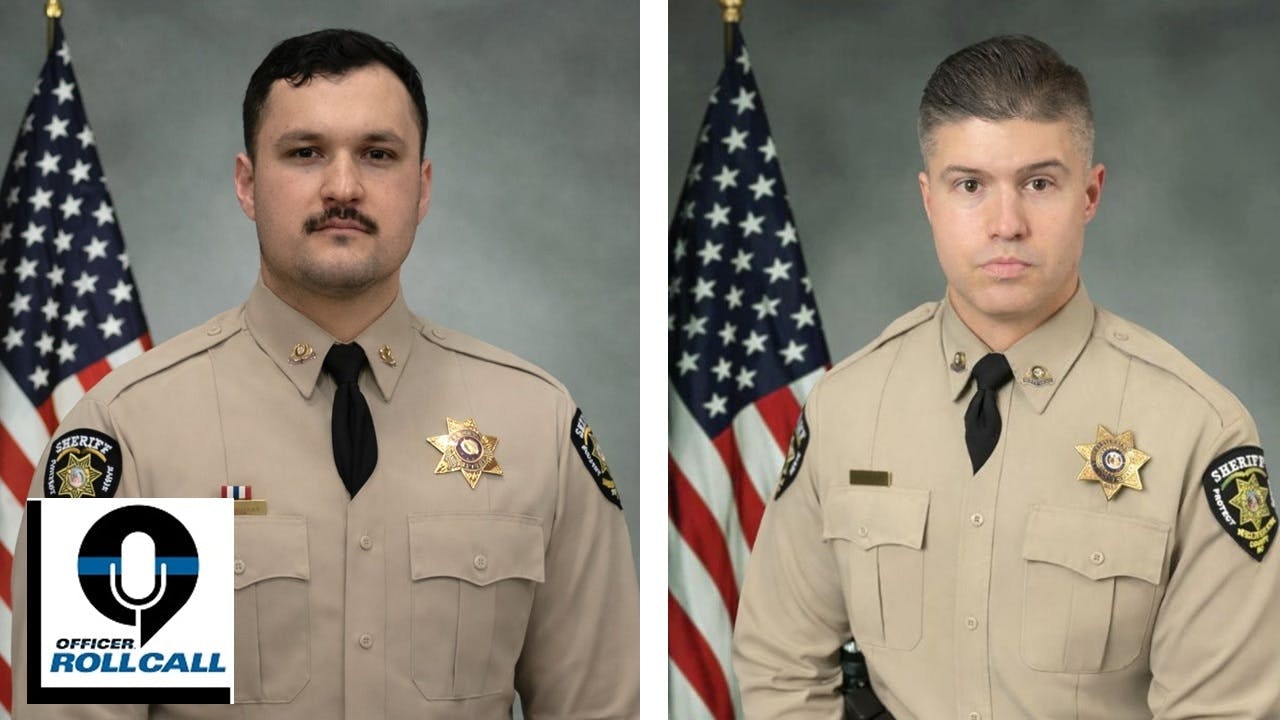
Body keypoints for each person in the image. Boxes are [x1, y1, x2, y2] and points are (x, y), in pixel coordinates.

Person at [11, 28, 639, 719]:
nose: (343, 187)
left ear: (422, 187)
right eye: (305, 153)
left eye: (378, 154)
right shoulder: (130, 434)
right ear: (248, 184)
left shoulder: (537, 426)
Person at [733, 34, 1278, 719]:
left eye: (1039, 184)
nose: (1006, 224)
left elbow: (1223, 710)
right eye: (970, 186)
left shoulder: (1197, 430)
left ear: (1090, 194)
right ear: (929, 199)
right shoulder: (847, 408)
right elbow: (781, 665)